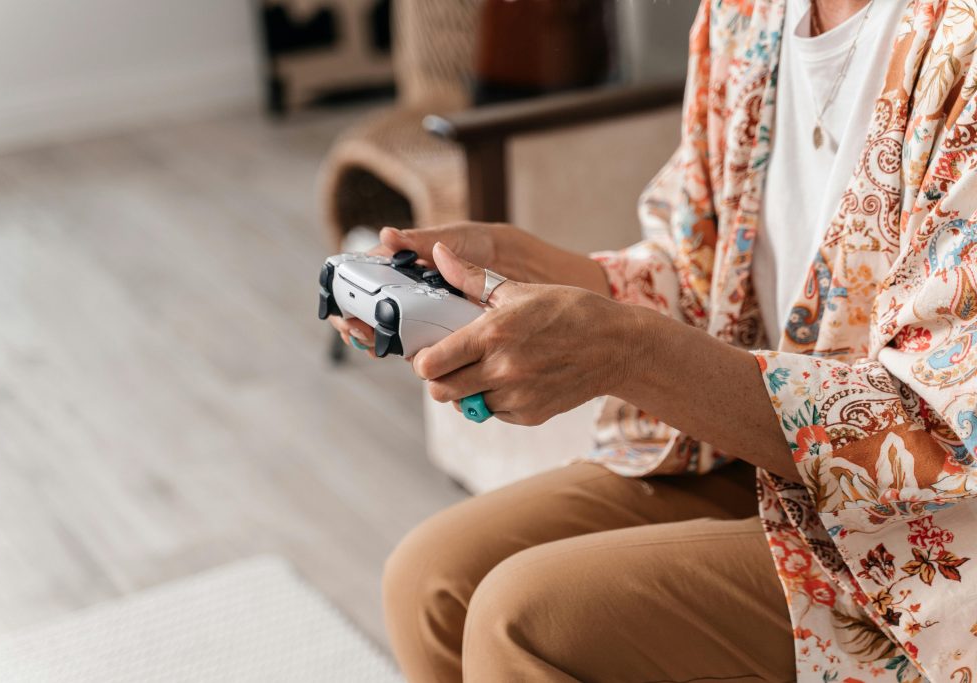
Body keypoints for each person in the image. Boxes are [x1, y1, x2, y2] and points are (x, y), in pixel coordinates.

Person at [330, 0, 977, 680]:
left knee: (522, 620)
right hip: (764, 462)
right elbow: (701, 269)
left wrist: (626, 349)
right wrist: (531, 269)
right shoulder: (745, 13)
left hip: (933, 535)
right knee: (432, 581)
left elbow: (943, 432)